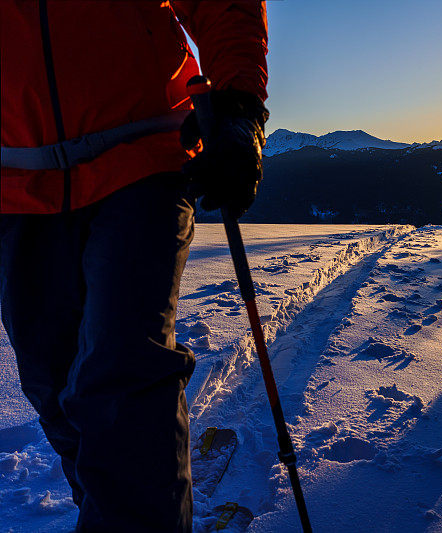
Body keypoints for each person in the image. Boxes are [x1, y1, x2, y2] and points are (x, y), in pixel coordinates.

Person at [0, 1, 269, 531]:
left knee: (119, 368)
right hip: (16, 183)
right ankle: (124, 507)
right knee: (50, 380)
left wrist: (238, 104)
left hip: (145, 153)